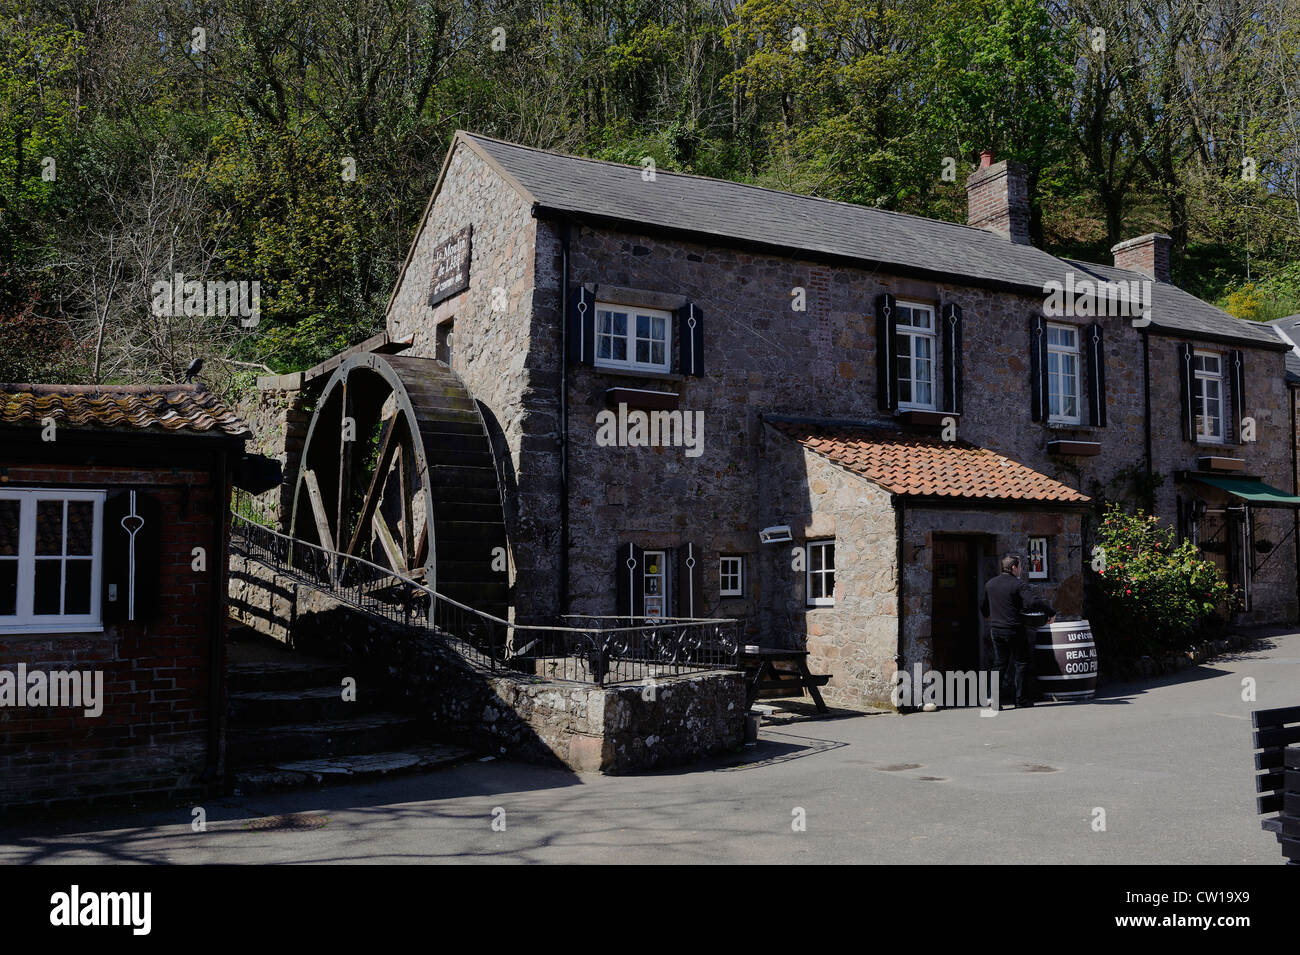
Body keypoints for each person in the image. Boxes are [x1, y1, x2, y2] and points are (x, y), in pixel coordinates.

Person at [980, 554, 1055, 709]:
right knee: (1021, 664)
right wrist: (1050, 612)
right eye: (1020, 566)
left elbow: (983, 605)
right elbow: (1032, 602)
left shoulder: (990, 584)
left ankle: (993, 699)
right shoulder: (1018, 584)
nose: (1021, 570)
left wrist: (988, 616)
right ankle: (1020, 700)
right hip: (1015, 629)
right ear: (1014, 567)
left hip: (997, 629)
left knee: (999, 664)